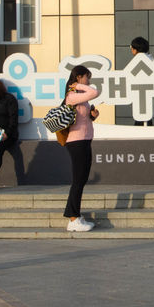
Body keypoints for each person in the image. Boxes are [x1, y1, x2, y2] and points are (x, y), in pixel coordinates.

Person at [62, 65, 99, 232]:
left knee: (81, 179)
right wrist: (77, 86)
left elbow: (82, 120)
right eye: (86, 77)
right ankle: (73, 218)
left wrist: (92, 117)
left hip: (84, 140)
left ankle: (75, 214)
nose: (89, 81)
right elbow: (94, 92)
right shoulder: (72, 95)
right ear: (79, 77)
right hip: (76, 142)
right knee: (78, 179)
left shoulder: (80, 98)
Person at [130, 36, 152, 126]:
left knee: (140, 123)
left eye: (131, 48)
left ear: (135, 49)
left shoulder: (136, 62)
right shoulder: (151, 59)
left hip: (140, 98)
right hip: (148, 98)